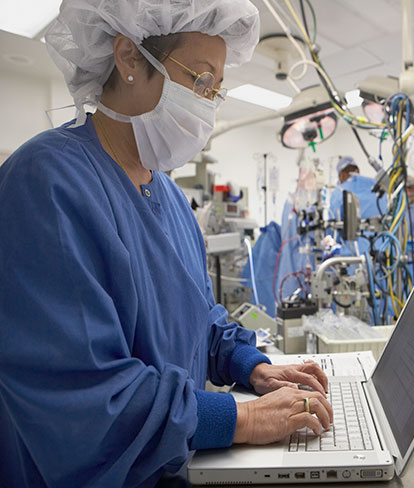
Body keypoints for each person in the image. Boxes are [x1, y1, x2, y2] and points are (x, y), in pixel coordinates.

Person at [0, 1, 332, 487]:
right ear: (129, 57)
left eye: (216, 89)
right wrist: (242, 419)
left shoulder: (170, 196)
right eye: (200, 81)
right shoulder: (46, 184)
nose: (208, 104)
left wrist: (253, 367)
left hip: (169, 465)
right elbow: (89, 399)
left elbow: (199, 319)